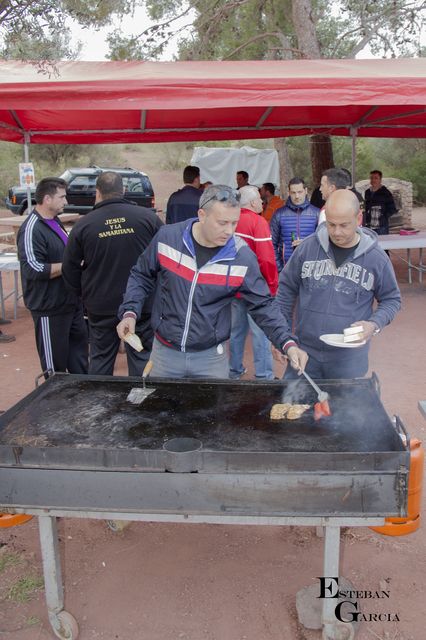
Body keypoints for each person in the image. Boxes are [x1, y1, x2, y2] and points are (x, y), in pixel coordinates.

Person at [117, 185, 308, 379]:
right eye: (222, 222)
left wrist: (288, 343)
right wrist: (130, 311)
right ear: (202, 215)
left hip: (210, 359)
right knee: (161, 407)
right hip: (164, 354)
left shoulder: (242, 257)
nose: (229, 231)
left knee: (213, 409)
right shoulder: (168, 238)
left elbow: (263, 306)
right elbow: (141, 274)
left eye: (234, 223)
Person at [275, 189, 401, 380]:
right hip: (304, 352)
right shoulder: (307, 248)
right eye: (331, 224)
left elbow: (391, 299)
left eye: (344, 225)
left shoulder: (376, 258)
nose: (336, 232)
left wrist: (373, 325)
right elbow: (285, 289)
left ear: (359, 218)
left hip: (349, 359)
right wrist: (281, 335)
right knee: (292, 407)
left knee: (345, 410)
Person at [62, 171, 163, 376]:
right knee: (141, 357)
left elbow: (69, 268)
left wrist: (82, 296)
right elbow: (166, 257)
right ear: (123, 190)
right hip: (142, 304)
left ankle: (99, 406)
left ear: (97, 193)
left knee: (100, 359)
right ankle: (140, 403)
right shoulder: (148, 218)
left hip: (101, 305)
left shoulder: (83, 225)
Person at [17, 177, 88, 375]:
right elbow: (33, 269)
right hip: (49, 308)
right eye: (62, 197)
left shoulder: (55, 222)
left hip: (71, 303)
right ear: (47, 199)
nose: (65, 201)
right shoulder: (31, 229)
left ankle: (81, 402)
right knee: (54, 369)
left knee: (79, 361)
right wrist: (70, 265)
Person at [229, 185, 278, 380]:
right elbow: (266, 259)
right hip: (255, 288)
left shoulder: (231, 221)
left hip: (233, 286)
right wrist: (272, 286)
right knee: (260, 333)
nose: (262, 201)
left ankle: (234, 371)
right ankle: (264, 376)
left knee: (236, 332)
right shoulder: (258, 222)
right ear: (251, 203)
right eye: (259, 198)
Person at [270, 177, 319, 271]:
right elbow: (272, 244)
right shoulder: (279, 214)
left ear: (305, 191)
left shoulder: (317, 213)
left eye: (300, 192)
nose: (297, 196)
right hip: (286, 269)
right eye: (293, 192)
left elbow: (321, 243)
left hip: (311, 269)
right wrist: (280, 269)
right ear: (288, 193)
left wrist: (306, 243)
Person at [364, 170, 397, 235]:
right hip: (369, 225)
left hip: (382, 227)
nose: (373, 180)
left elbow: (392, 208)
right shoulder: (367, 192)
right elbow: (366, 207)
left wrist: (383, 216)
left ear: (380, 180)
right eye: (371, 178)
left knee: (383, 244)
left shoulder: (386, 192)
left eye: (376, 178)